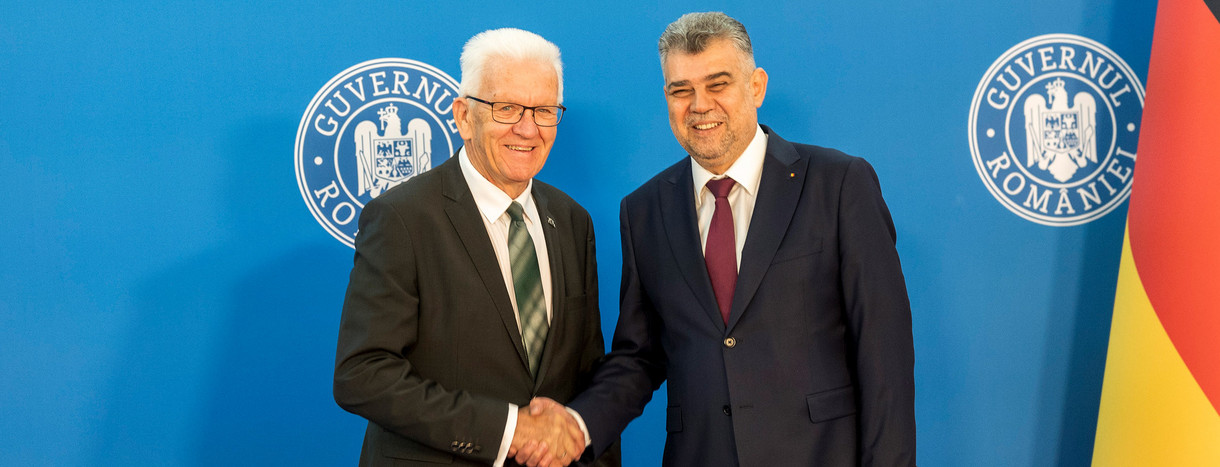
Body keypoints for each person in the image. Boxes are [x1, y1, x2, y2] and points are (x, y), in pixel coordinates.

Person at [537, 11, 917, 466]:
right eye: (682, 90)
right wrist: (578, 426)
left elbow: (884, 356)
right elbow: (639, 358)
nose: (699, 105)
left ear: (755, 86)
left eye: (717, 84)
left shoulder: (838, 184)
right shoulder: (643, 211)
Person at [333, 28, 619, 467]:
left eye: (543, 111)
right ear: (464, 116)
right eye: (507, 108)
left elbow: (588, 372)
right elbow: (363, 373)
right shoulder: (402, 218)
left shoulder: (571, 220)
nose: (527, 129)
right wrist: (508, 429)